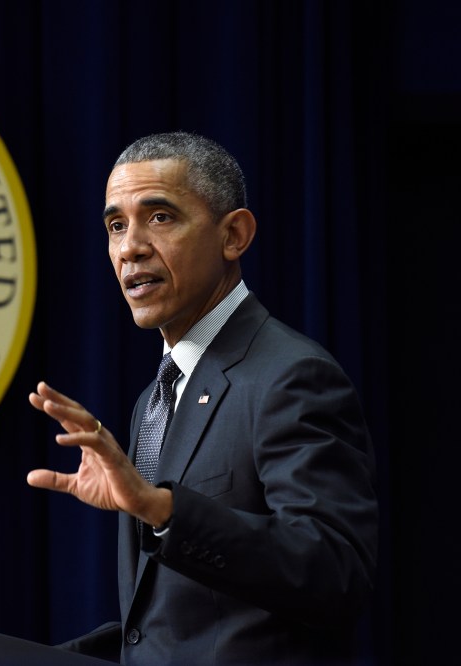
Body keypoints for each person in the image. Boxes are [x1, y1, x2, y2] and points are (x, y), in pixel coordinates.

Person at [27, 131, 378, 665]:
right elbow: (173, 626)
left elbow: (335, 573)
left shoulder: (291, 376)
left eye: (159, 217)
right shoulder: (153, 400)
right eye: (116, 226)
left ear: (233, 235)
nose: (130, 247)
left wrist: (162, 509)